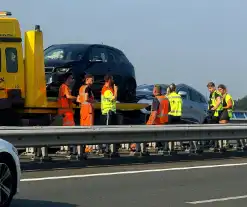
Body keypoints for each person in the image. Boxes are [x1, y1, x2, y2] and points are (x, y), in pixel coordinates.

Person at [57, 73, 77, 153]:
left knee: (66, 131)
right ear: (67, 79)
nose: (72, 80)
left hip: (65, 111)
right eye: (71, 78)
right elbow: (68, 96)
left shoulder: (64, 87)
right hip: (66, 112)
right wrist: (77, 98)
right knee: (69, 131)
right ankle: (67, 147)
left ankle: (65, 147)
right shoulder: (64, 87)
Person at [100, 74, 118, 154]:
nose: (113, 81)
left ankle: (108, 147)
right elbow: (114, 98)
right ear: (109, 79)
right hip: (107, 111)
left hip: (111, 111)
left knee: (111, 131)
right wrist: (116, 90)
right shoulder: (106, 89)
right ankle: (105, 147)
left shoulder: (109, 88)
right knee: (107, 131)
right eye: (112, 79)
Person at [77, 74, 95, 154]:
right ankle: (88, 148)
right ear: (87, 80)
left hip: (82, 109)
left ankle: (82, 146)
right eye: (92, 80)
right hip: (88, 110)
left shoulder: (81, 88)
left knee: (83, 128)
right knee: (89, 129)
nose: (93, 82)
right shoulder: (87, 88)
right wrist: (93, 101)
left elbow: (78, 99)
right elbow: (86, 98)